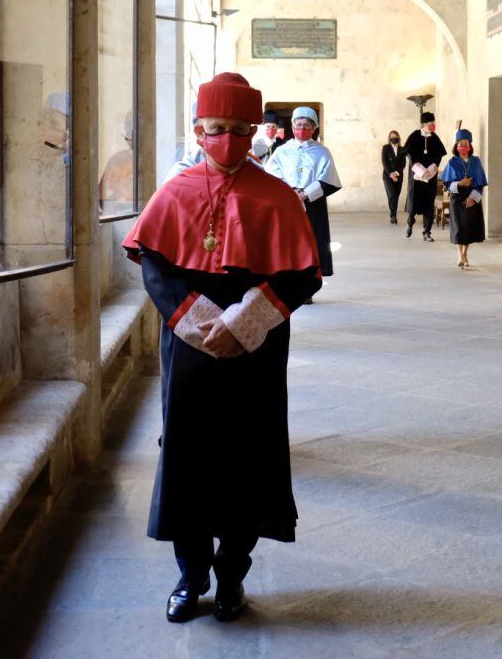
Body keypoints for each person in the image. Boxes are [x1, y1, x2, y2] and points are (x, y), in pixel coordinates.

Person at [122, 72, 321, 623]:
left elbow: (302, 275)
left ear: (253, 130)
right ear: (198, 129)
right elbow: (156, 268)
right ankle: (190, 577)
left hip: (255, 345)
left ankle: (232, 573)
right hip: (189, 342)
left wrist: (243, 322)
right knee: (188, 454)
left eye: (238, 129)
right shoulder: (176, 191)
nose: (227, 138)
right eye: (216, 129)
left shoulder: (278, 197)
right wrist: (203, 321)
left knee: (247, 457)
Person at [264, 107, 342, 292]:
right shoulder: (282, 151)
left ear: (314, 128)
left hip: (313, 205)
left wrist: (306, 193)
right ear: (292, 126)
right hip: (286, 204)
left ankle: (307, 288)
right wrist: (290, 193)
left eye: (306, 126)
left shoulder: (322, 152)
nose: (301, 129)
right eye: (298, 125)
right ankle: (285, 283)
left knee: (310, 246)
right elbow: (271, 174)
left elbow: (329, 178)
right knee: (287, 244)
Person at [440, 128, 488, 267]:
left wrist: (472, 198)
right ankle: (460, 255)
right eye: (460, 144)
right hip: (457, 197)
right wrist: (460, 183)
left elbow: (481, 183)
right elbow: (447, 184)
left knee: (469, 227)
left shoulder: (476, 161)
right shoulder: (452, 162)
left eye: (466, 144)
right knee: (458, 227)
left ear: (470, 145)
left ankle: (465, 253)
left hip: (472, 197)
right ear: (456, 146)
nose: (463, 146)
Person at [404, 111, 446, 241]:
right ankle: (410, 222)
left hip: (430, 176)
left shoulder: (435, 138)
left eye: (434, 123)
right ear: (424, 124)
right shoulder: (414, 136)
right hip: (417, 176)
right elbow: (409, 154)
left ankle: (427, 232)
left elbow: (438, 155)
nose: (433, 125)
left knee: (429, 203)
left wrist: (431, 168)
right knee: (414, 200)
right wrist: (421, 170)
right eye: (431, 123)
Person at [381, 130, 406, 224]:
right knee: (391, 195)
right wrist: (391, 174)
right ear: (389, 138)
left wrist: (396, 173)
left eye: (395, 136)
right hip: (387, 176)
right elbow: (384, 162)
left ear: (398, 137)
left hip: (399, 176)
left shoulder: (402, 149)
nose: (393, 137)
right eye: (392, 136)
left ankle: (393, 214)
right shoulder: (385, 148)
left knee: (396, 195)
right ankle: (393, 215)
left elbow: (403, 163)